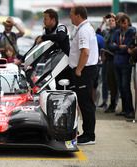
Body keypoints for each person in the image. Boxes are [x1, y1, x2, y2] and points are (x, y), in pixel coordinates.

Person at [69, 6, 99, 145]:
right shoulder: (83, 28)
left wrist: (79, 70)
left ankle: (89, 135)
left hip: (85, 70)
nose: (70, 17)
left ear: (78, 15)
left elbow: (85, 52)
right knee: (84, 102)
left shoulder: (84, 30)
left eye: (71, 14)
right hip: (87, 69)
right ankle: (87, 133)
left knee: (86, 103)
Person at [35, 8, 70, 90]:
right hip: (55, 63)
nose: (43, 21)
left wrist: (44, 37)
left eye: (45, 19)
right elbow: (38, 48)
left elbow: (60, 37)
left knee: (67, 88)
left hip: (67, 63)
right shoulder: (46, 31)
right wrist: (23, 59)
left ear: (53, 19)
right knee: (58, 87)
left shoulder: (61, 27)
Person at [110, 14, 136, 119]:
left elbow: (130, 46)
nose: (123, 25)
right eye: (121, 23)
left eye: (125, 23)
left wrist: (119, 47)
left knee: (126, 87)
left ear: (128, 22)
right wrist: (121, 47)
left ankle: (130, 110)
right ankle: (125, 109)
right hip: (117, 62)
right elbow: (111, 45)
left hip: (126, 63)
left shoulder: (132, 31)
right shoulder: (117, 32)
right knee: (120, 87)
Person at [98, 13, 119, 113]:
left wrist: (110, 47)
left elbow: (113, 45)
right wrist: (103, 22)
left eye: (112, 20)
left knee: (115, 83)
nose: (110, 22)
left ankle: (114, 103)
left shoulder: (117, 31)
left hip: (114, 59)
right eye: (109, 20)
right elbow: (97, 32)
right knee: (107, 82)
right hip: (107, 60)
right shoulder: (107, 32)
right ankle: (107, 101)